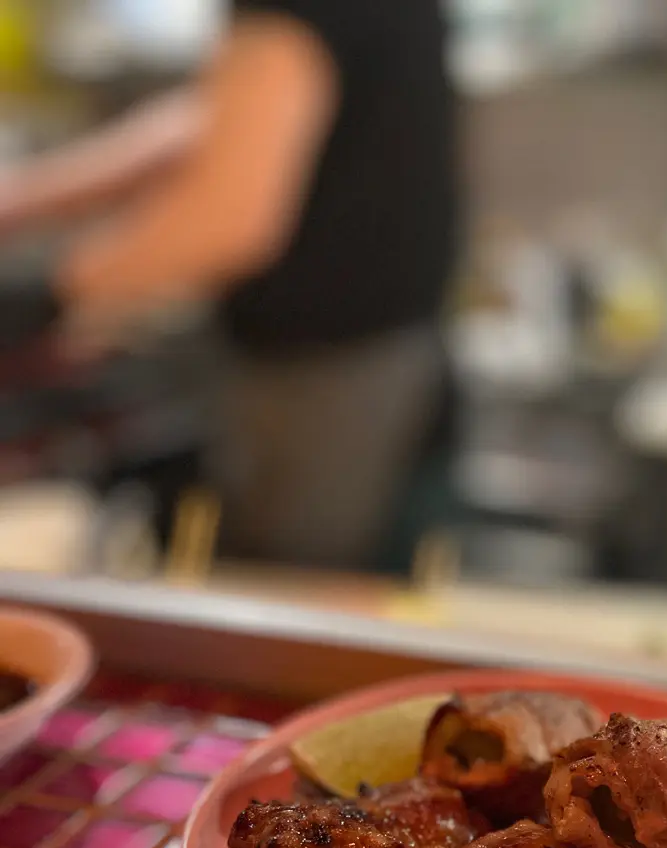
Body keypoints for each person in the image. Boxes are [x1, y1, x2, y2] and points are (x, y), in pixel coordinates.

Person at [0, 0, 458, 570]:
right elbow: (220, 118)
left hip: (322, 371)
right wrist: (19, 202)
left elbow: (230, 219)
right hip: (357, 356)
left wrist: (47, 295)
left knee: (283, 588)